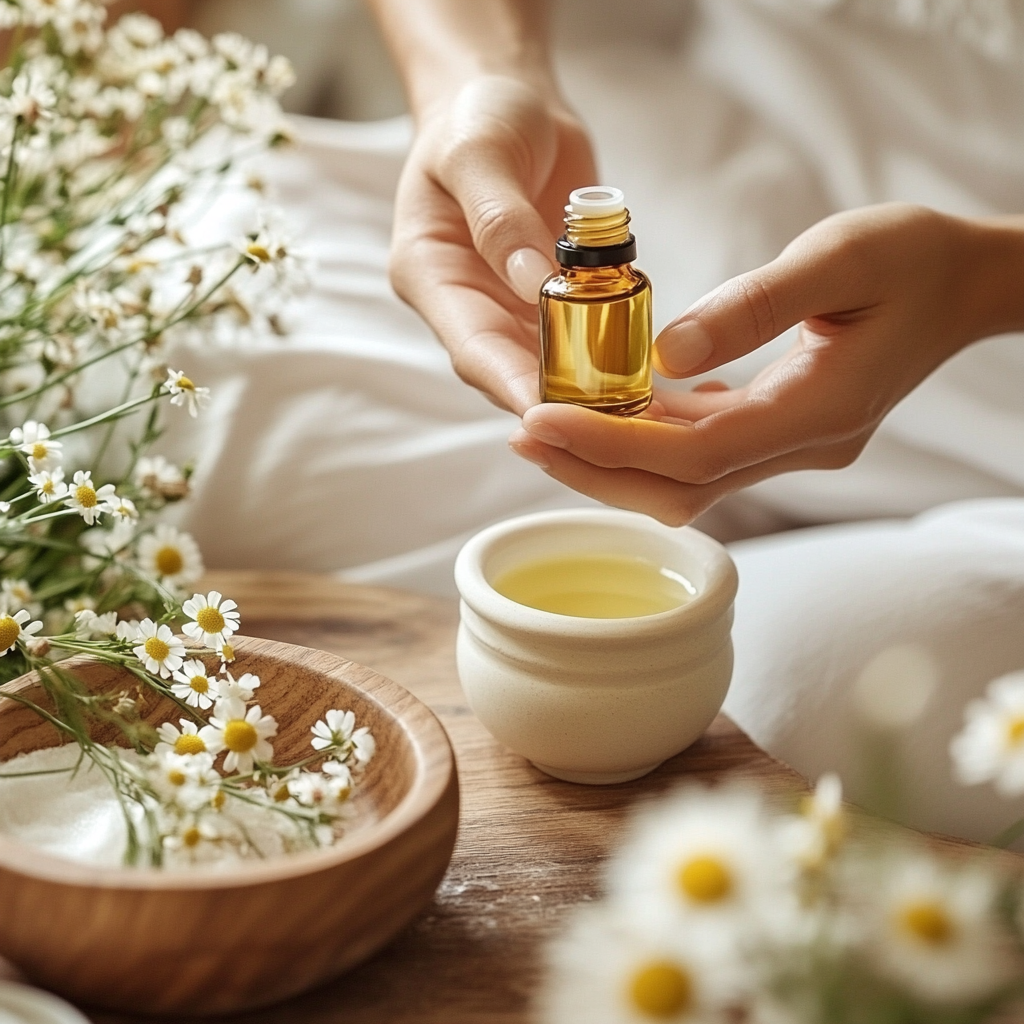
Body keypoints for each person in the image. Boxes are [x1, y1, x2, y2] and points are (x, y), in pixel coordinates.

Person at [365, 0, 1024, 843]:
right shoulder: (605, 284)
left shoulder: (618, 292)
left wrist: (982, 280)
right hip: (718, 154)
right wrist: (476, 75)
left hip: (994, 332)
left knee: (738, 703)